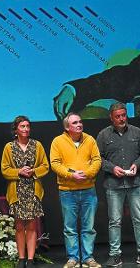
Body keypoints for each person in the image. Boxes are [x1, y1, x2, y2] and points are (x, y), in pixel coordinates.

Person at [95, 103, 140, 267]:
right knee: (115, 221)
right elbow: (97, 159)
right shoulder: (103, 135)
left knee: (139, 219)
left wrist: (137, 164)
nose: (122, 118)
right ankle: (115, 255)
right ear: (111, 117)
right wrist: (111, 168)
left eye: (124, 115)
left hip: (135, 183)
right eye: (118, 116)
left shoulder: (137, 132)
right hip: (113, 185)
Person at [50, 113, 102, 268]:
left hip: (88, 190)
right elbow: (55, 163)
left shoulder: (90, 139)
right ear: (67, 127)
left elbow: (97, 160)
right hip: (68, 191)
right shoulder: (58, 142)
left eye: (80, 121)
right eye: (75, 122)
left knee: (89, 227)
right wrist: (71, 175)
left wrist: (89, 173)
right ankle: (73, 258)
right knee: (70, 227)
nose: (79, 124)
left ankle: (88, 257)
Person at [1, 116, 50, 268]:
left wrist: (33, 171)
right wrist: (19, 172)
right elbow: (5, 169)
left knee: (32, 226)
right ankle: (21, 258)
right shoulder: (9, 147)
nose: (26, 129)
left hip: (32, 191)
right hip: (17, 191)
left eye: (28, 126)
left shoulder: (37, 145)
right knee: (20, 226)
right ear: (16, 130)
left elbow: (45, 166)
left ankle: (30, 259)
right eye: (22, 126)